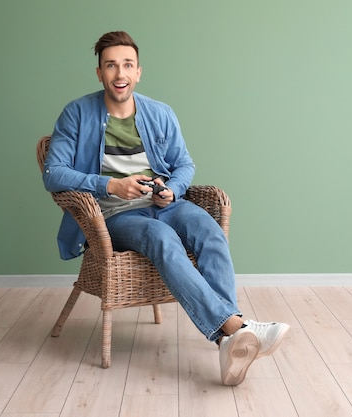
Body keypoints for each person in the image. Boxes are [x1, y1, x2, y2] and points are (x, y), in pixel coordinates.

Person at [42, 31, 289, 386]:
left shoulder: (160, 113)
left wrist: (171, 191)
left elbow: (184, 165)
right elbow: (54, 173)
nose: (119, 73)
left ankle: (226, 340)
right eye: (111, 65)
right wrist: (111, 185)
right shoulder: (76, 114)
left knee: (209, 231)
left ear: (139, 71)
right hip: (115, 215)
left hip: (163, 205)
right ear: (99, 73)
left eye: (127, 65)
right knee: (161, 237)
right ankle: (238, 327)